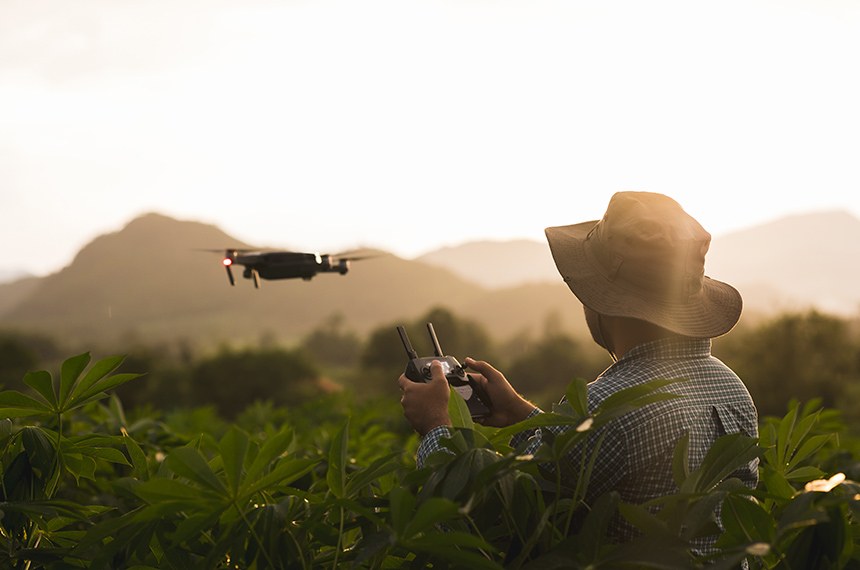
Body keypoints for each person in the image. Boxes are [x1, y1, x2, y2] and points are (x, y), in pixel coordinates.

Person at [398, 191, 759, 549]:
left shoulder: (608, 407)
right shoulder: (730, 386)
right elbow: (581, 466)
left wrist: (437, 427)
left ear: (602, 302)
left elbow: (494, 526)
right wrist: (521, 415)